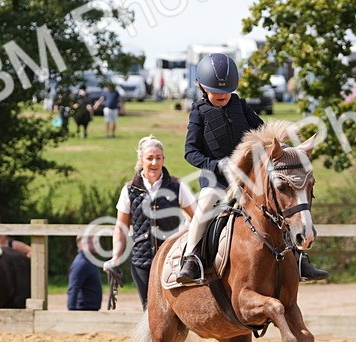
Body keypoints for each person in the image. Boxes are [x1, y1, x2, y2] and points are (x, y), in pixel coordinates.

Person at [177, 53, 328, 284]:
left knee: (279, 205)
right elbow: (190, 152)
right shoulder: (198, 113)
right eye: (216, 91)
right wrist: (216, 164)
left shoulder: (240, 105)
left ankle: (300, 258)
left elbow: (265, 134)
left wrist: (286, 152)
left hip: (248, 179)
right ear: (201, 87)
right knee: (204, 207)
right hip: (217, 179)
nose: (222, 95)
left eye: (226, 91)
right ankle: (191, 258)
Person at [104, 135, 196, 308]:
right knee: (149, 310)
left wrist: (186, 234)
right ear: (141, 160)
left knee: (174, 308)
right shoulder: (129, 190)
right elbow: (121, 228)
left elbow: (197, 217)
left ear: (163, 159)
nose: (154, 162)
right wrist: (115, 258)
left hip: (172, 259)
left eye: (158, 158)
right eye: (150, 158)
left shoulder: (177, 186)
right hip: (142, 260)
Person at [67, 234, 103, 311]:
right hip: (84, 311)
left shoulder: (88, 262)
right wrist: (71, 315)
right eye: (94, 241)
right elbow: (73, 288)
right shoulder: (81, 263)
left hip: (90, 311)